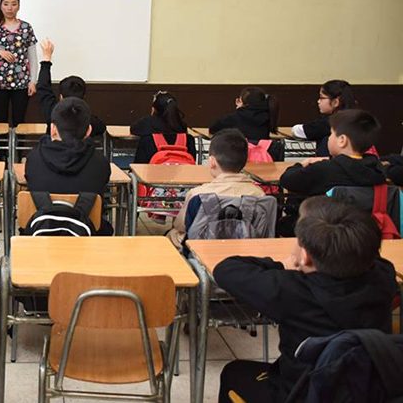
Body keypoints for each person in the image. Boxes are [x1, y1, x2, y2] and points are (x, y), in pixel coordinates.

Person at [215, 196, 397, 403]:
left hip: (301, 393)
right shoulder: (385, 277)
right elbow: (374, 259)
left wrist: (282, 265)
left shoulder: (291, 290)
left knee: (234, 372)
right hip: (368, 388)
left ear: (305, 256)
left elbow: (226, 270)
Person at [170, 129, 265, 246]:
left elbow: (181, 225)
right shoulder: (259, 194)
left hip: (202, 249)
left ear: (212, 162)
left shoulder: (197, 194)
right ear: (245, 162)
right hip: (245, 250)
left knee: (173, 233)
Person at [280, 109, 385, 197]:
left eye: (331, 134)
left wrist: (303, 163)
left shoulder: (323, 169)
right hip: (363, 221)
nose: (329, 138)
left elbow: (286, 180)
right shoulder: (377, 169)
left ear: (342, 140)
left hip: (323, 220)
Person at [25, 97, 111, 198]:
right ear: (89, 131)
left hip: (43, 213)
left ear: (52, 129)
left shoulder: (34, 159)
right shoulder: (100, 163)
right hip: (85, 214)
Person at [36, 38, 106, 138]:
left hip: (54, 153)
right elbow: (102, 127)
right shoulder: (88, 120)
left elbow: (43, 88)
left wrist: (46, 58)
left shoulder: (52, 112)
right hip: (80, 154)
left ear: (60, 97)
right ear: (83, 97)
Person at [291, 79, 355, 157]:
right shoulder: (356, 119)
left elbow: (299, 131)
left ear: (335, 102)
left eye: (322, 97)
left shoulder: (330, 122)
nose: (318, 101)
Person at [129, 90, 196, 163]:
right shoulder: (183, 127)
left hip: (152, 173)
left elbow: (133, 129)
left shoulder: (148, 122)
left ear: (154, 109)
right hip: (183, 173)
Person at [209, 87, 280, 141]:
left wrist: (239, 109)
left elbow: (213, 129)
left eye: (239, 100)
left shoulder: (233, 118)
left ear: (243, 103)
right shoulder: (268, 117)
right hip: (263, 158)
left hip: (240, 157)